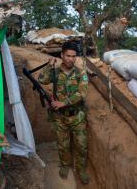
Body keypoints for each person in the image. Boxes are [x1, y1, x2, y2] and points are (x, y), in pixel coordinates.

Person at [38, 41, 90, 184]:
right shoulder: (55, 72)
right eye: (68, 56)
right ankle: (65, 165)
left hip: (77, 116)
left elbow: (82, 93)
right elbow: (41, 80)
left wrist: (63, 102)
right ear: (62, 55)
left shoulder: (81, 73)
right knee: (63, 144)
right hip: (60, 118)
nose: (71, 59)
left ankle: (81, 169)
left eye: (74, 56)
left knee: (81, 145)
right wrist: (49, 65)